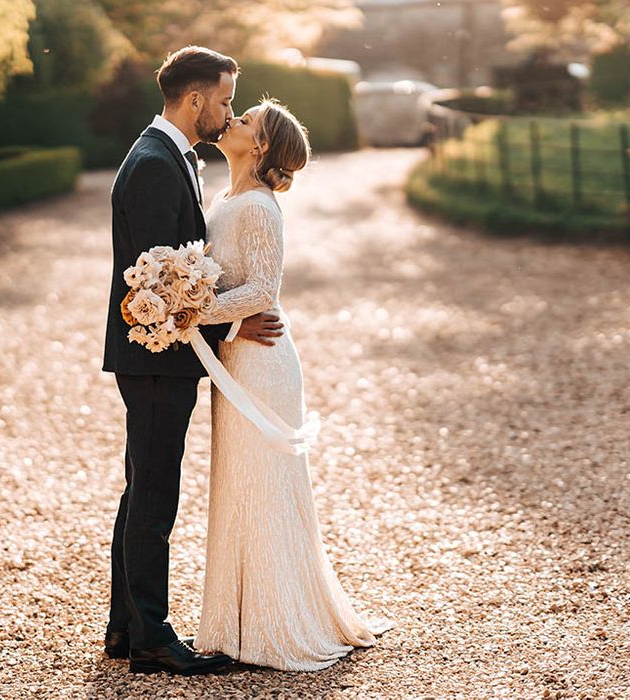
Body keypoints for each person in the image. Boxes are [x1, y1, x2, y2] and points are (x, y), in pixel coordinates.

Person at [102, 46, 284, 676]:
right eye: (227, 100)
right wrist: (236, 318)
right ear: (197, 99)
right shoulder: (155, 163)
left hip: (160, 357)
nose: (228, 111)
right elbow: (161, 285)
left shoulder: (167, 157)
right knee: (154, 498)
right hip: (156, 357)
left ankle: (125, 626)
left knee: (141, 490)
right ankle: (152, 636)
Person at [193, 99, 394, 671]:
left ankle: (275, 622)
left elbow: (262, 292)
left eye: (246, 121)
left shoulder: (259, 207)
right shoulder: (229, 199)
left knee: (265, 486)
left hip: (261, 361)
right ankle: (234, 619)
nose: (232, 121)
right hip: (235, 355)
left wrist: (187, 310)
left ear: (258, 148)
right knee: (238, 483)